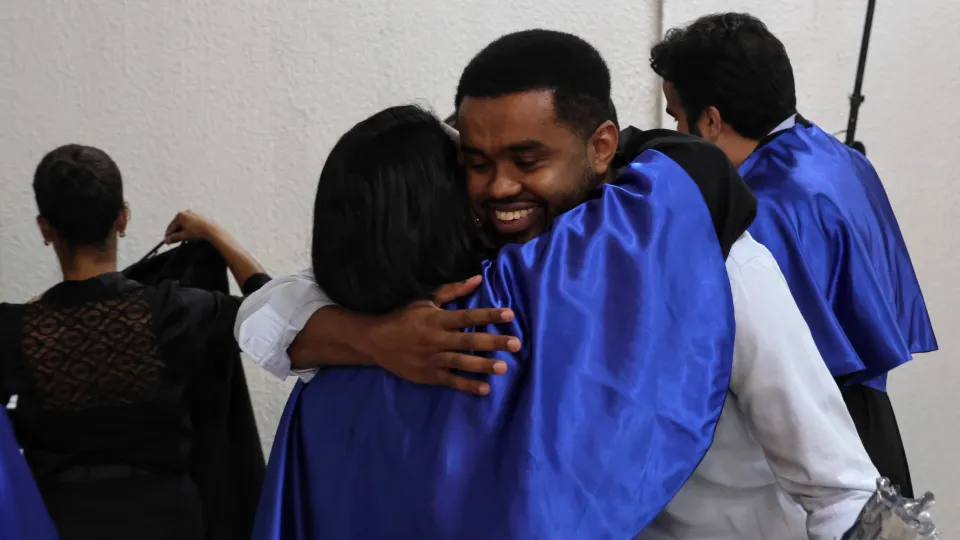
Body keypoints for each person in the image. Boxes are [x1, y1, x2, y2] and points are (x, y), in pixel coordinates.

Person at [240, 31, 878, 539]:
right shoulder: (476, 285)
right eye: (477, 162)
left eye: (528, 160)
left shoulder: (716, 264)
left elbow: (840, 489)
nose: (498, 188)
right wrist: (376, 338)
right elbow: (271, 311)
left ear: (602, 146)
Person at [649, 12, 937, 499]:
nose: (676, 130)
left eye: (677, 117)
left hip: (818, 452)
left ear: (713, 120)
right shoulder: (838, 156)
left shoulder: (760, 208)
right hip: (872, 422)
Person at [0, 144, 269, 540]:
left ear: (45, 228)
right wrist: (214, 234)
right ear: (122, 218)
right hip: (167, 521)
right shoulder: (177, 311)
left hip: (57, 522)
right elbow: (275, 314)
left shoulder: (15, 329)